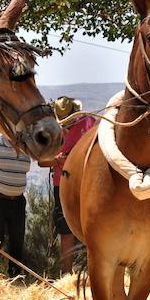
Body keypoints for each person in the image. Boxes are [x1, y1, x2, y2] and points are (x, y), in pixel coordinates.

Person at [39, 96, 95, 275]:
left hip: (87, 183)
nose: (67, 126)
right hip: (61, 186)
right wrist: (56, 160)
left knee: (92, 228)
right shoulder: (50, 132)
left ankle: (94, 271)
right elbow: (41, 162)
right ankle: (67, 274)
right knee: (65, 231)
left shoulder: (89, 123)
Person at [0, 132, 31, 278]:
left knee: (17, 239)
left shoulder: (28, 146)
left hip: (18, 201)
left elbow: (43, 156)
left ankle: (15, 275)